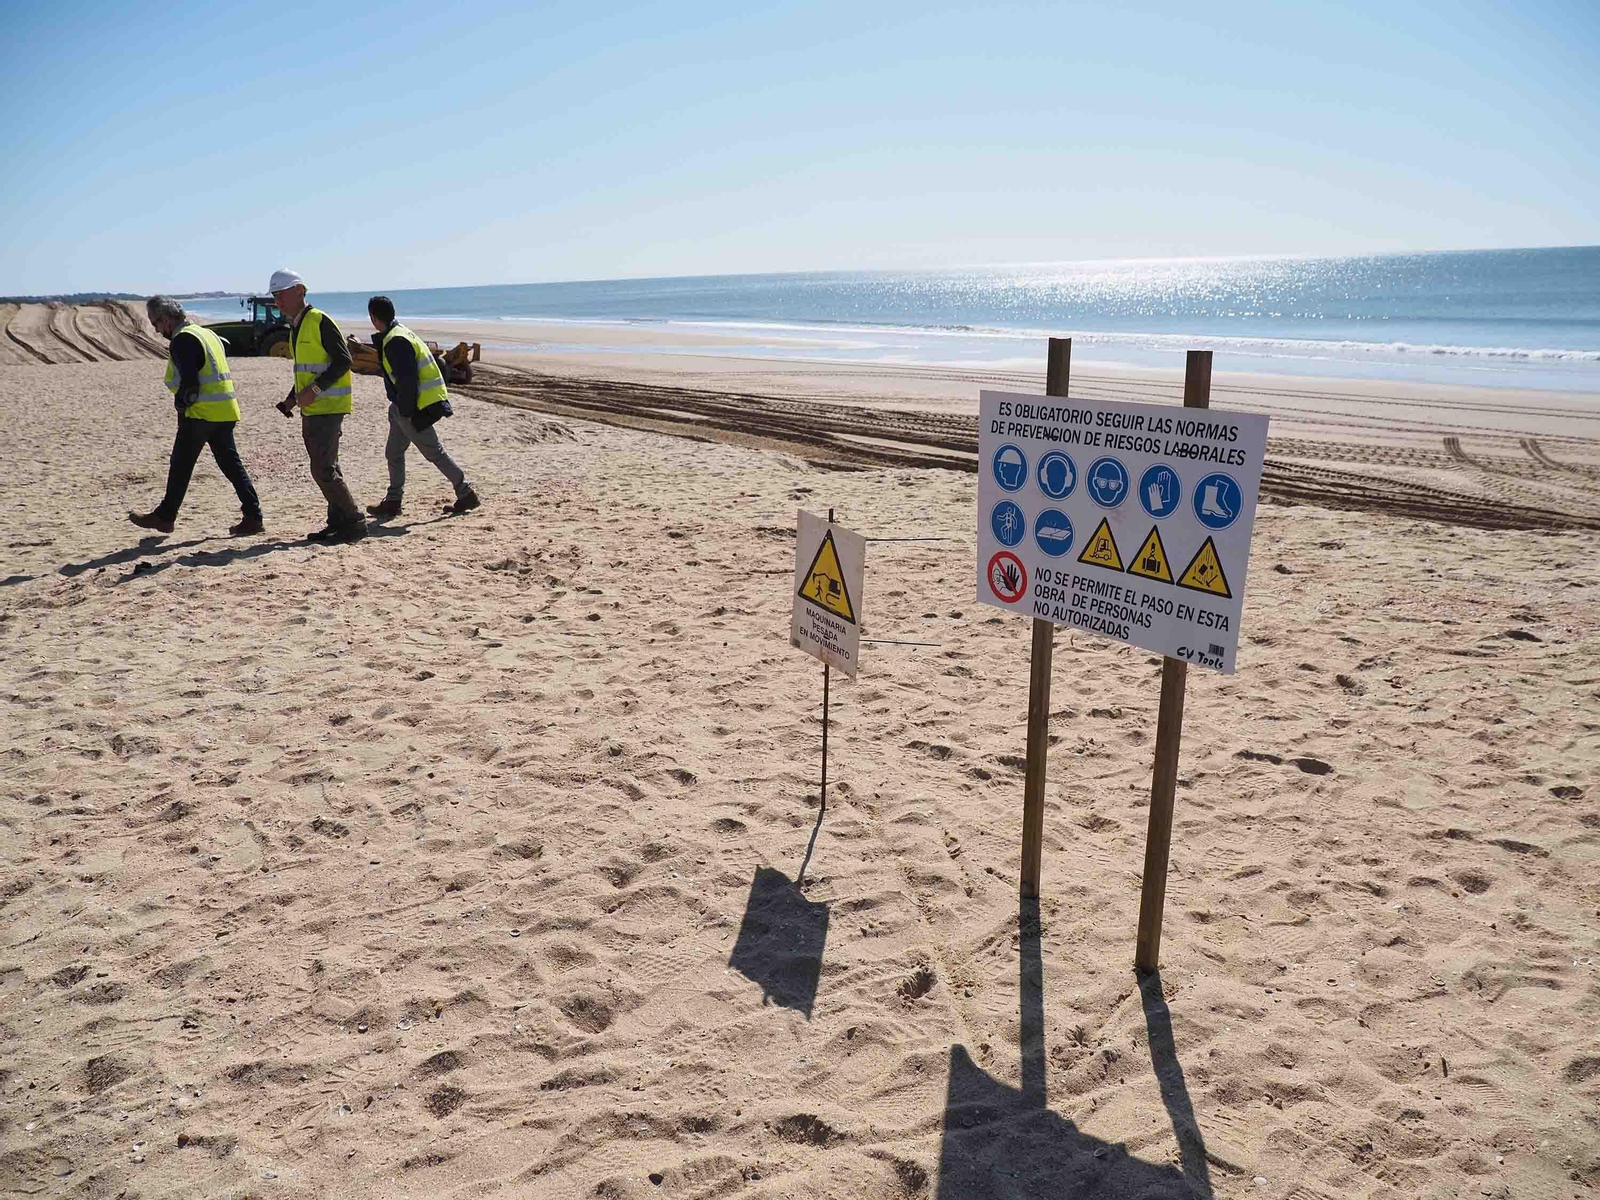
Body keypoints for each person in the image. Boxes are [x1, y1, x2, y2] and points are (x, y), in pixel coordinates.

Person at [128, 296, 264, 536]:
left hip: (201, 413)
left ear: (166, 320)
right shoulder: (207, 334)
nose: (157, 331)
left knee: (181, 465)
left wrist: (181, 404)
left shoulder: (182, 340)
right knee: (231, 465)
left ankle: (165, 517)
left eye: (156, 324)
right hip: (225, 410)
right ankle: (253, 516)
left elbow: (190, 385)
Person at [267, 268, 366, 542]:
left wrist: (315, 389)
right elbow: (306, 372)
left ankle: (355, 522)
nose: (278, 302)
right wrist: (291, 399)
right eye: (275, 297)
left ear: (299, 291)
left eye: (281, 295)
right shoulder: (296, 327)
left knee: (322, 470)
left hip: (329, 406)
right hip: (313, 407)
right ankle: (337, 522)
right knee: (329, 467)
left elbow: (343, 360)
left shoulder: (319, 320)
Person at [364, 295, 480, 519]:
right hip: (403, 407)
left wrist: (407, 413)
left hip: (412, 408)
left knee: (434, 452)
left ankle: (466, 493)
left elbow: (408, 380)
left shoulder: (396, 340)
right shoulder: (401, 333)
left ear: (374, 318)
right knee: (394, 453)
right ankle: (393, 501)